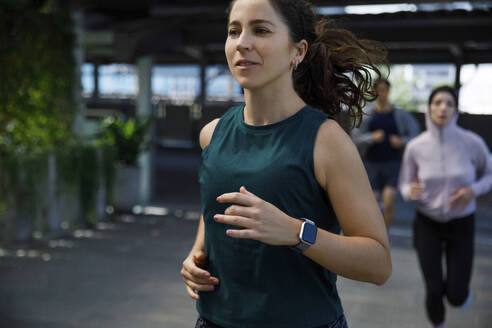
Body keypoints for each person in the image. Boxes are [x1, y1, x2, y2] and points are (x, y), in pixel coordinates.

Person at [181, 0, 392, 327]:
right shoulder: (213, 134)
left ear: (298, 51)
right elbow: (215, 211)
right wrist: (195, 256)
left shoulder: (326, 140)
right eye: (234, 31)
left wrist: (297, 232)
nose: (242, 43)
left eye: (261, 30)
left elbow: (378, 264)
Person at [399, 86, 492, 328]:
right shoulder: (416, 147)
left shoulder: (472, 142)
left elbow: (489, 174)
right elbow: (404, 184)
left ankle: (461, 295)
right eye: (437, 102)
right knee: (433, 287)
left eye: (449, 103)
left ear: (456, 110)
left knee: (456, 294)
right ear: (429, 108)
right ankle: (437, 324)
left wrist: (473, 190)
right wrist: (411, 191)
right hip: (427, 223)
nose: (443, 108)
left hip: (462, 223)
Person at [351, 78, 420, 227]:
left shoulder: (400, 114)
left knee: (389, 201)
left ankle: (385, 232)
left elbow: (415, 134)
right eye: (378, 90)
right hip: (372, 163)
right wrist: (372, 138)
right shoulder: (368, 114)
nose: (381, 93)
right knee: (373, 204)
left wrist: (402, 141)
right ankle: (375, 232)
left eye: (384, 90)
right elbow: (355, 137)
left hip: (392, 163)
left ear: (388, 91)